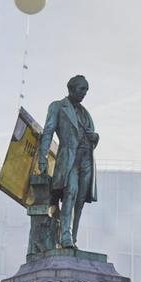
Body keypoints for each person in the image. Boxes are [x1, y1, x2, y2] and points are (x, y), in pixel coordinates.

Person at [36, 74, 99, 249]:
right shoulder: (58, 106)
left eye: (86, 90)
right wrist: (42, 158)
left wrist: (95, 138)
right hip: (69, 157)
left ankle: (73, 237)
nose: (84, 93)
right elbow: (48, 132)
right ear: (71, 88)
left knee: (79, 200)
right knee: (70, 193)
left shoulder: (85, 113)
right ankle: (65, 236)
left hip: (87, 159)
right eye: (82, 89)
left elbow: (90, 135)